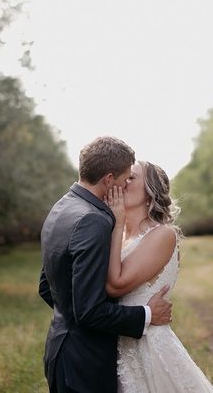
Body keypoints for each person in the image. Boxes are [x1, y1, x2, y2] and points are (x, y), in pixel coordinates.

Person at [38, 137, 173, 393]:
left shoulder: (61, 208)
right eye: (125, 178)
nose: (125, 185)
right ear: (109, 179)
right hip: (85, 359)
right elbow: (90, 311)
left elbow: (46, 287)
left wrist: (70, 318)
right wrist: (147, 314)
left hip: (60, 349)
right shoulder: (94, 220)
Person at [105, 160, 213, 392]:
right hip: (119, 344)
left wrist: (116, 225)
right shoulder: (120, 236)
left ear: (150, 192)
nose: (123, 182)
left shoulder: (162, 235)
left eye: (131, 177)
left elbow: (116, 285)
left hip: (148, 347)